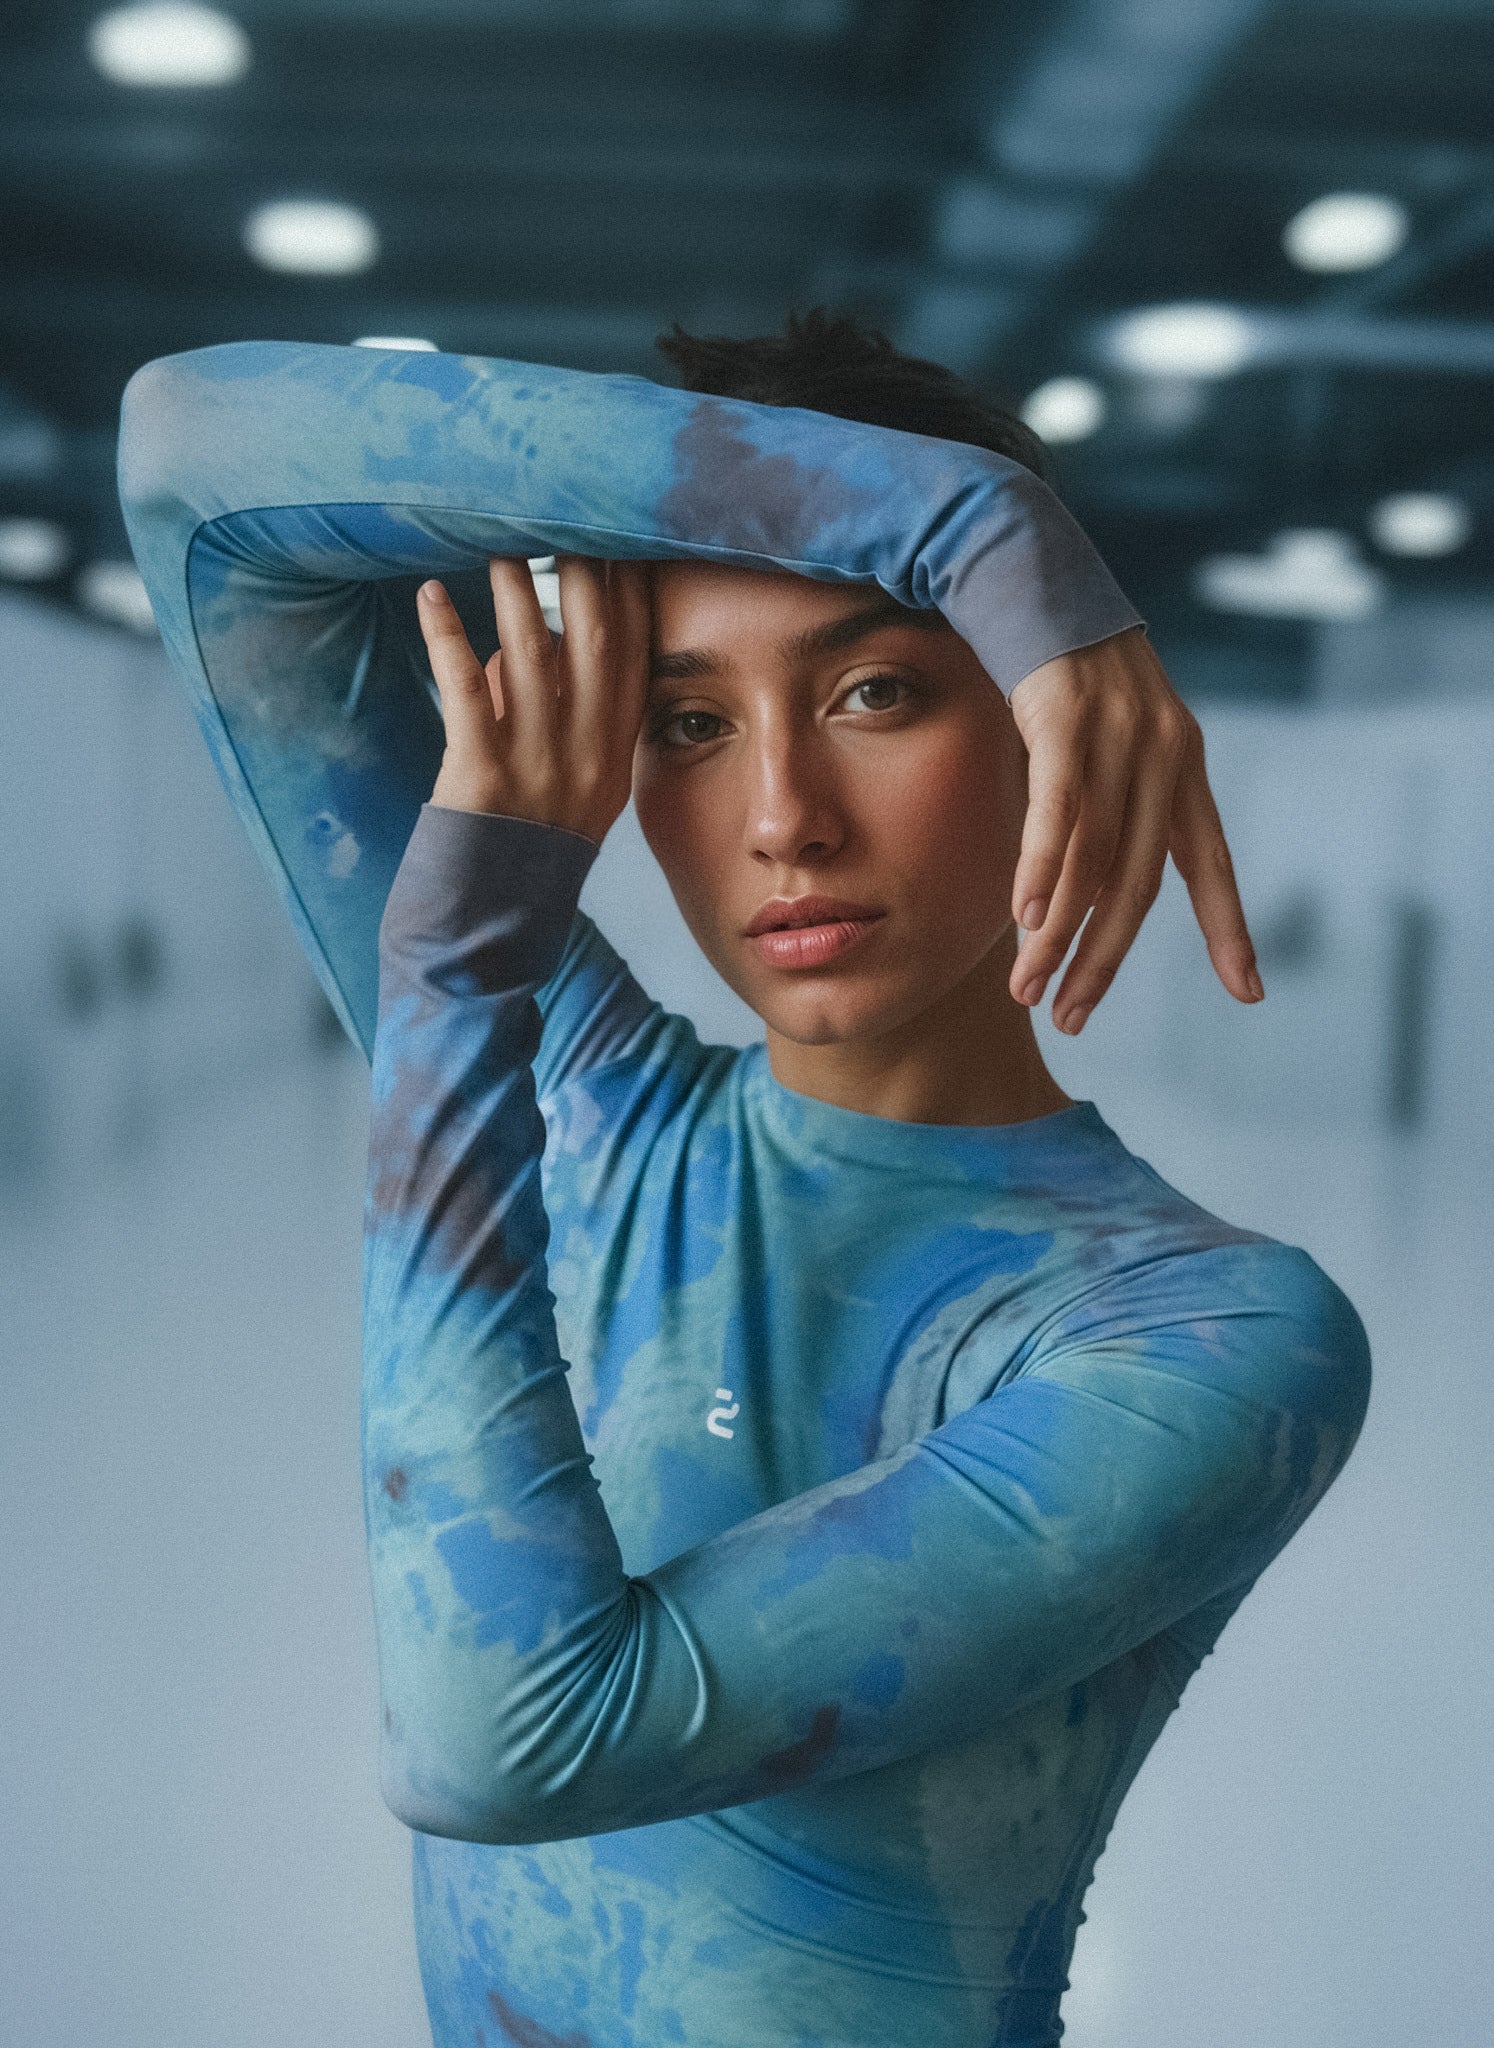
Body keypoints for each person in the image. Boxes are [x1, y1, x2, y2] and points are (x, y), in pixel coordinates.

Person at [118, 314, 1369, 2048]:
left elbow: (508, 1738)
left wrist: (468, 965)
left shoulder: (1206, 1336)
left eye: (873, 693)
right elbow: (191, 459)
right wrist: (964, 526)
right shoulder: (594, 1105)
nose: (783, 816)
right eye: (688, 722)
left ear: (1038, 719)